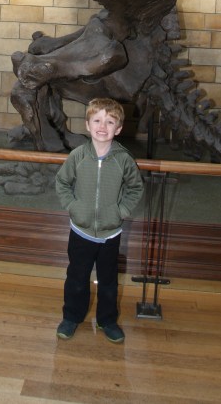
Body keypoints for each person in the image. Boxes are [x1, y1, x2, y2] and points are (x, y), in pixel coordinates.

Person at [55, 97, 144, 343]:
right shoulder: (78, 156)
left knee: (108, 281)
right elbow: (62, 182)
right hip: (81, 231)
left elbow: (135, 188)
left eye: (109, 121)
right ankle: (72, 316)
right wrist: (73, 207)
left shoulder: (124, 159)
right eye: (97, 120)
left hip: (110, 233)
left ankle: (107, 320)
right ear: (87, 124)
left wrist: (121, 211)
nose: (102, 126)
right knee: (76, 277)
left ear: (118, 128)